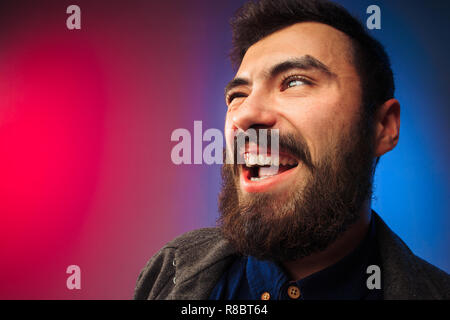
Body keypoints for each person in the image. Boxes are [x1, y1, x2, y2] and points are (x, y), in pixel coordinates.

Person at [134, 0, 449, 300]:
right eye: (237, 95)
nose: (244, 116)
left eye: (295, 82)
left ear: (383, 127)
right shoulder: (169, 269)